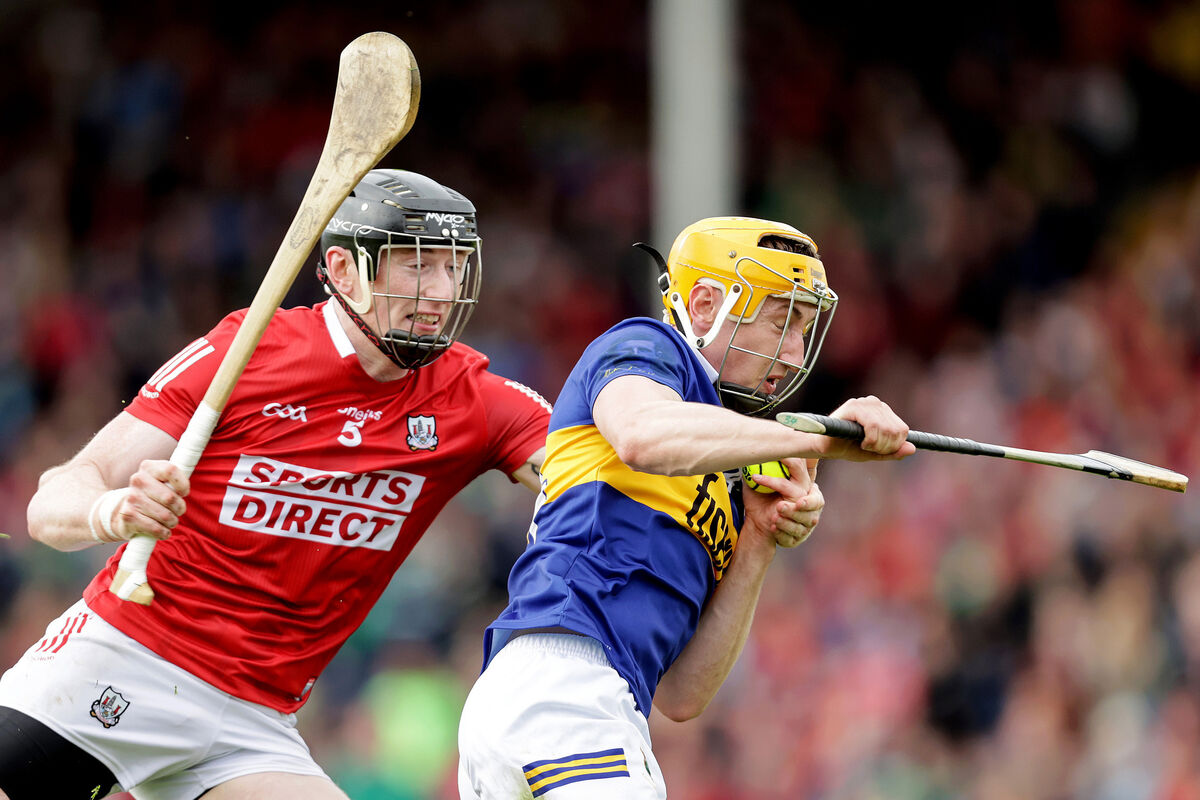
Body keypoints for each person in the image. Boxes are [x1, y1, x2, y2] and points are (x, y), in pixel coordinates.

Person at [0, 169, 551, 800]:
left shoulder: (474, 400)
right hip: (124, 658)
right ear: (344, 270)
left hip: (253, 722)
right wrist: (113, 511)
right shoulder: (248, 351)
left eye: (452, 269)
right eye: (418, 266)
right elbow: (54, 497)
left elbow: (584, 470)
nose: (440, 292)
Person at [457, 216, 915, 798]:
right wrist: (820, 438)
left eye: (804, 329)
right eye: (782, 322)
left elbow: (681, 696)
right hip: (564, 690)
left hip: (573, 705)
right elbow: (642, 436)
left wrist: (758, 538)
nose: (795, 352)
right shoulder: (647, 348)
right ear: (704, 305)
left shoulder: (725, 470)